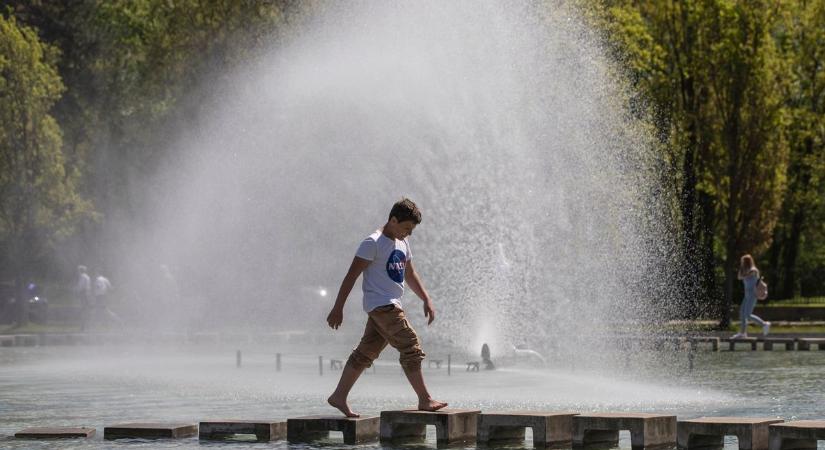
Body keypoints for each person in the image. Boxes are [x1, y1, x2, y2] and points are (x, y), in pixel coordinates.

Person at [326, 198, 447, 417]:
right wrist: (338, 307)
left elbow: (410, 273)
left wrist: (426, 298)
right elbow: (351, 276)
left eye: (411, 230)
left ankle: (339, 396)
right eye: (406, 228)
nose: (408, 234)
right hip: (382, 306)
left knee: (366, 352)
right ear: (393, 220)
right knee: (410, 345)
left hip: (389, 305)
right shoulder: (372, 242)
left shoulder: (403, 242)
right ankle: (425, 399)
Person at [732, 254, 770, 339]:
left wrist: (744, 273)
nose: (741, 263)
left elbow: (747, 275)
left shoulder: (754, 270)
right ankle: (743, 333)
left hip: (752, 295)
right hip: (746, 296)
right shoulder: (744, 271)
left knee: (748, 315)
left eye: (743, 262)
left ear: (747, 262)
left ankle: (764, 324)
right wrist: (742, 270)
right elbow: (739, 277)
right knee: (742, 314)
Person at [74, 265, 92, 331]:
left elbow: (80, 287)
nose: (77, 272)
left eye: (78, 270)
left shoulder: (82, 277)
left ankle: (83, 327)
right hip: (87, 294)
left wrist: (76, 291)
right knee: (86, 310)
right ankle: (87, 326)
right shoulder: (88, 277)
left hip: (83, 295)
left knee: (83, 310)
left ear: (80, 271)